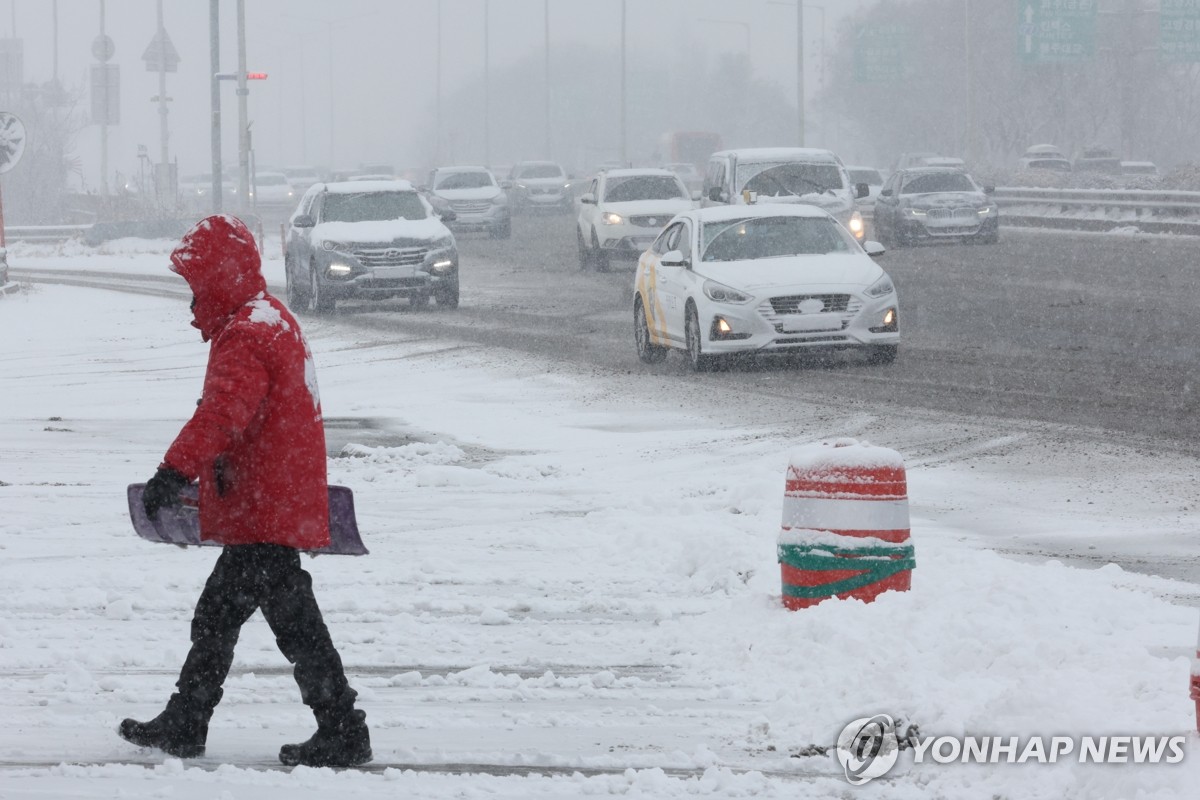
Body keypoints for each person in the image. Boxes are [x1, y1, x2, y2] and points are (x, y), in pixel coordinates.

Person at [117, 214, 371, 768]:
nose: (191, 304)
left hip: (263, 506)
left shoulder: (248, 333)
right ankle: (194, 718)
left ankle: (339, 726)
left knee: (271, 620)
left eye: (196, 288)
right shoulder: (269, 319)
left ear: (218, 280)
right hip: (270, 499)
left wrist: (173, 471)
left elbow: (222, 415)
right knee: (234, 615)